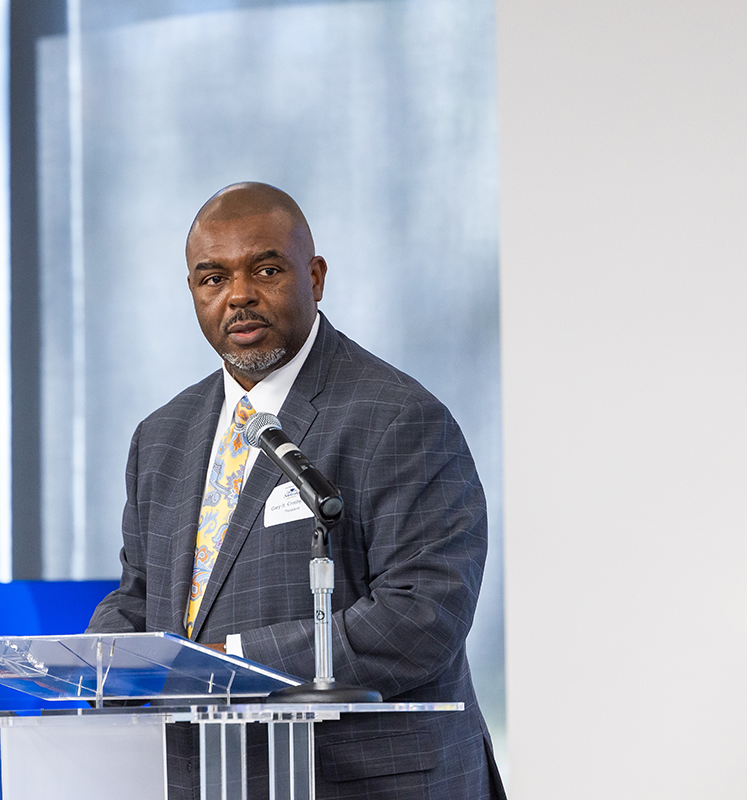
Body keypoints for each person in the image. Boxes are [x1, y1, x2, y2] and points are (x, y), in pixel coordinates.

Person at [87, 182, 505, 799]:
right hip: (213, 778)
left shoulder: (397, 417)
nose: (240, 296)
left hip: (363, 783)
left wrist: (228, 663)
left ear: (315, 275)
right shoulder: (162, 437)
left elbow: (422, 615)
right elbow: (142, 595)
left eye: (266, 269)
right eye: (213, 278)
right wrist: (102, 660)